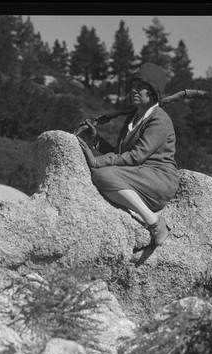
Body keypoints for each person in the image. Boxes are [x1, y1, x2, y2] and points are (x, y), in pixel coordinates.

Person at [77, 62, 180, 246]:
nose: (134, 90)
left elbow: (136, 156)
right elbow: (120, 154)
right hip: (138, 174)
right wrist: (95, 140)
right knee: (103, 173)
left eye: (141, 87)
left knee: (102, 174)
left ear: (153, 91)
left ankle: (155, 222)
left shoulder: (159, 119)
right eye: (133, 86)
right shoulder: (132, 118)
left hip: (159, 179)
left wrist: (96, 161)